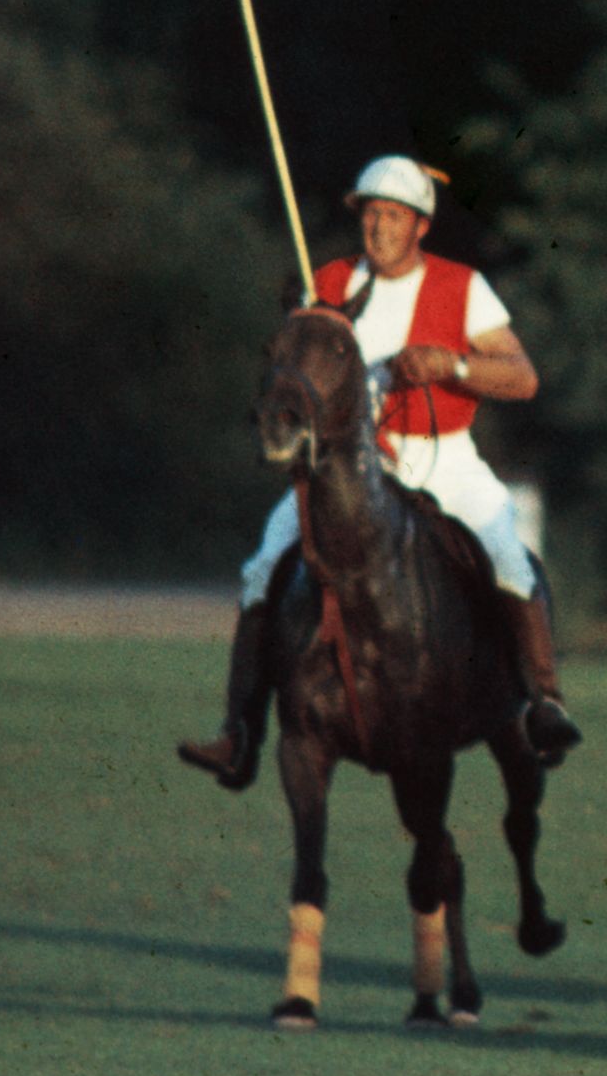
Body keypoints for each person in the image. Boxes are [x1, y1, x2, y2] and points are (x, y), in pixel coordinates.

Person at [179, 157, 574, 786]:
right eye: (370, 214)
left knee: (507, 555)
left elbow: (523, 376)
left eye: (392, 216)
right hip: (346, 469)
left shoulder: (461, 286)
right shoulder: (329, 280)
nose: (378, 227)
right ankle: (239, 732)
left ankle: (544, 704)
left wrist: (454, 367)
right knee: (261, 569)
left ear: (420, 225)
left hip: (441, 456)